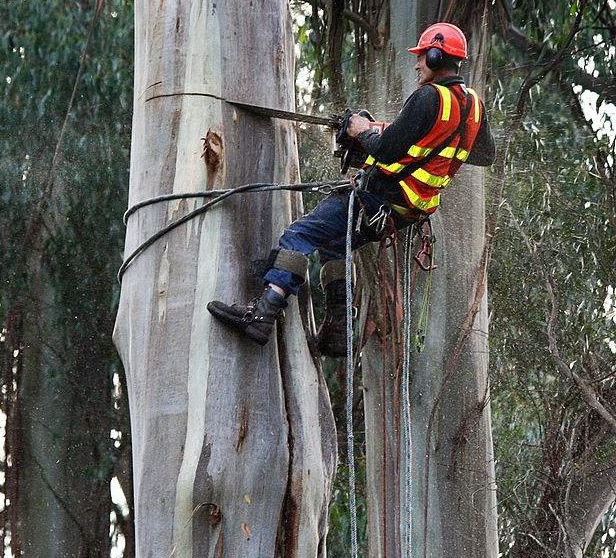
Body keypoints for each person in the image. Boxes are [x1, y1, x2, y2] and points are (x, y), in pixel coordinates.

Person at [207, 22, 495, 356]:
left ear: (435, 55)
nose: (416, 64)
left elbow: (386, 150)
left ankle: (263, 313)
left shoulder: (429, 97)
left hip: (378, 200)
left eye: (421, 57)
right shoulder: (473, 106)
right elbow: (483, 154)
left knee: (300, 235)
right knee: (333, 246)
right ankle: (338, 331)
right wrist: (414, 137)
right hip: (405, 212)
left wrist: (361, 131)